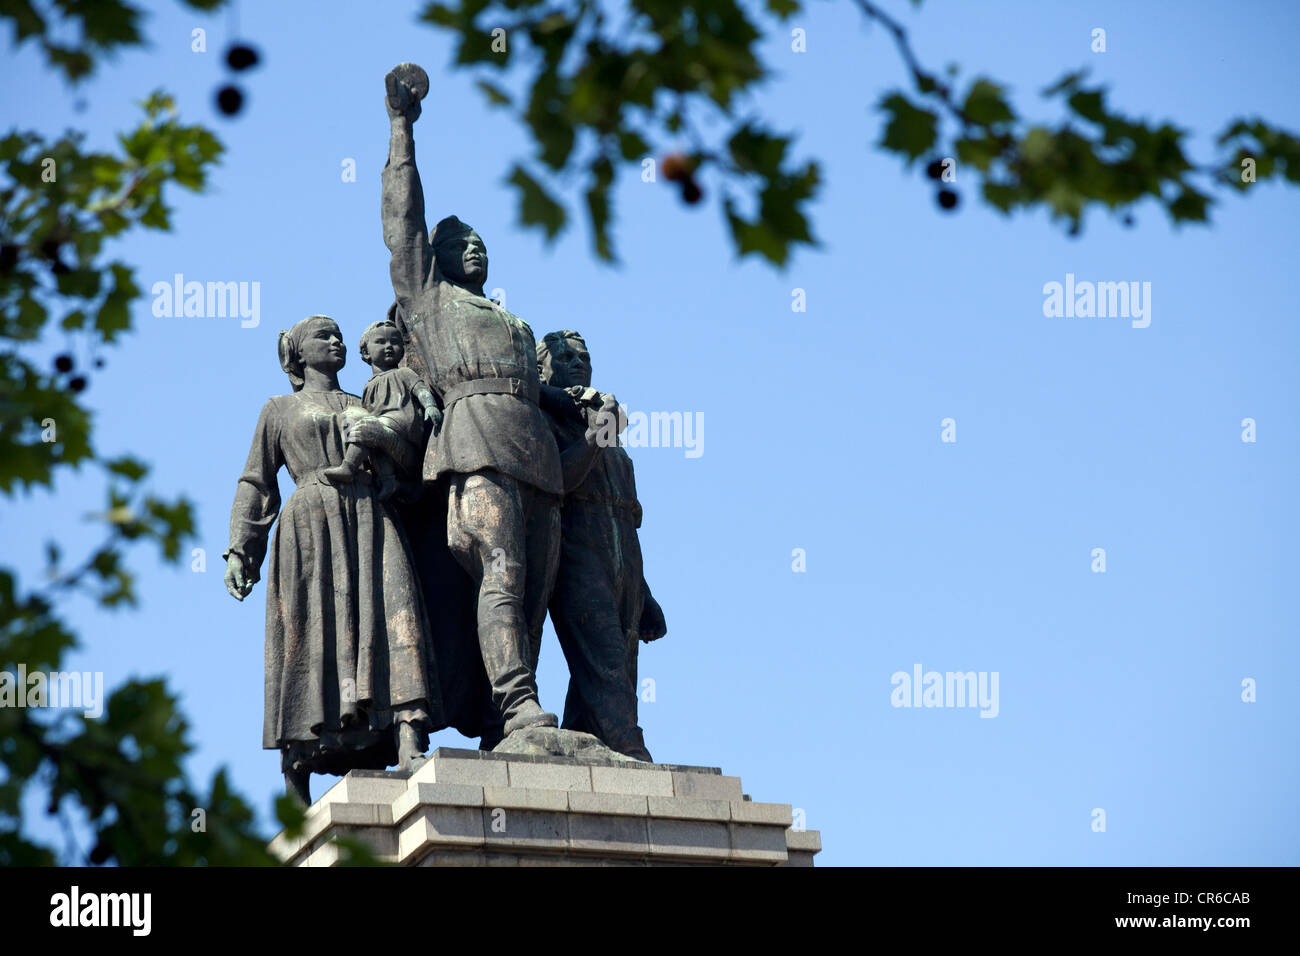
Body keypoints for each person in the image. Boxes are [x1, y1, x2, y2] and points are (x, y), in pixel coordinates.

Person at [381, 64, 573, 739]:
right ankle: (519, 703)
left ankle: (508, 718)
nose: (476, 244)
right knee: (503, 571)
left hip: (537, 453)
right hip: (476, 443)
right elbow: (404, 221)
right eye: (460, 241)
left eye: (481, 239)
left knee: (536, 594)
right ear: (435, 260)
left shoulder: (511, 319)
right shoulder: (431, 301)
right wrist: (402, 129)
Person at [223, 314, 440, 804]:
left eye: (340, 334)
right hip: (310, 522)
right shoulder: (279, 409)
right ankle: (297, 767)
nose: (336, 341)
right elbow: (256, 481)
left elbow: (409, 455)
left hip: (371, 514)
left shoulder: (369, 399)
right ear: (298, 354)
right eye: (324, 336)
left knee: (393, 615)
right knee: (309, 631)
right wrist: (242, 547)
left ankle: (409, 736)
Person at [537, 330, 667, 761]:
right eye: (566, 356)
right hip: (576, 545)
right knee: (604, 653)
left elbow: (629, 515)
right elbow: (561, 480)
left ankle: (580, 738)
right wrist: (596, 434)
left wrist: (644, 592)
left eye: (584, 356)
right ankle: (630, 747)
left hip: (622, 551)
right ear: (542, 367)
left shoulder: (606, 423)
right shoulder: (542, 416)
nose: (578, 363)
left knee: (619, 659)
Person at [322, 318, 440, 500]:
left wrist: (430, 405)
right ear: (365, 353)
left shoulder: (404, 373)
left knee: (368, 427)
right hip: (381, 422)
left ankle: (348, 466)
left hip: (401, 421)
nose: (388, 346)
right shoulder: (369, 385)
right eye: (380, 342)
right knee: (371, 439)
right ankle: (389, 480)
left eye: (394, 342)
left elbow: (421, 389)